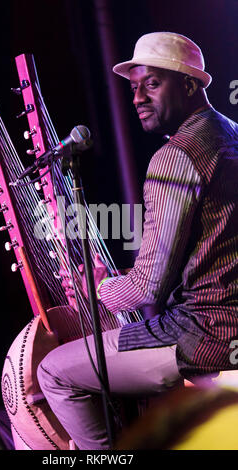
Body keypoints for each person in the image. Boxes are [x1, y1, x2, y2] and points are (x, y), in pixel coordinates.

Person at [37, 32, 238, 450]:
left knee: (54, 372)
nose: (138, 98)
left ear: (188, 84)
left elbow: (147, 288)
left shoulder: (176, 157)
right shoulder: (232, 133)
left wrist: (97, 288)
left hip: (201, 335)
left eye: (152, 83)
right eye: (133, 87)